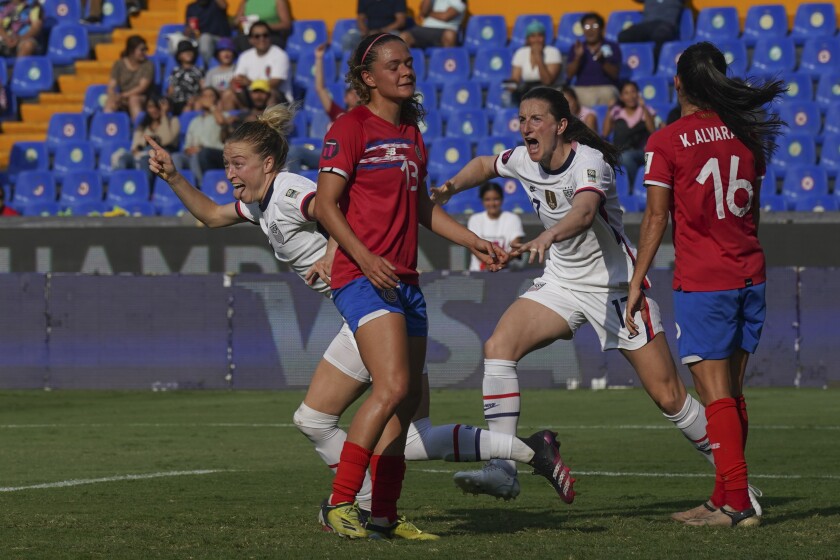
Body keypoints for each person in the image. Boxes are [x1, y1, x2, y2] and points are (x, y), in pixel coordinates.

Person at [147, 100, 569, 542]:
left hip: (372, 307)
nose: (230, 174)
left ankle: (350, 504)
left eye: (238, 164)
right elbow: (213, 215)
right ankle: (516, 454)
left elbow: (335, 210)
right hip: (381, 306)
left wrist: (333, 252)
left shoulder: (290, 192)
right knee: (405, 435)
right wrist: (174, 176)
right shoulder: (261, 202)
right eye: (226, 164)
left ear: (267, 163)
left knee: (321, 420)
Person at [432, 87, 761, 514]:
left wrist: (547, 235)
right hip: (561, 283)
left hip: (615, 290)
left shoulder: (590, 162)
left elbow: (585, 212)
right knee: (499, 348)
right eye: (522, 119)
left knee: (669, 397)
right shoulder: (522, 159)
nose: (525, 127)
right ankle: (502, 466)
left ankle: (737, 487)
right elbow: (482, 164)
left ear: (561, 126)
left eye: (535, 120)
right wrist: (448, 189)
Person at [310, 33, 572, 541]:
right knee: (392, 388)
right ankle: (343, 503)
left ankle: (384, 516)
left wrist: (472, 240)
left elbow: (421, 208)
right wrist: (364, 257)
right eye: (394, 65)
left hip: (404, 279)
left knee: (405, 408)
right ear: (368, 77)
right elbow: (325, 205)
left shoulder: (411, 131)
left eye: (409, 63)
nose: (407, 71)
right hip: (363, 277)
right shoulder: (349, 127)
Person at [626, 42, 785, 528]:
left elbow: (656, 216)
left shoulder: (667, 141)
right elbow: (752, 212)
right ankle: (722, 496)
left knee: (714, 395)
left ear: (678, 83)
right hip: (748, 272)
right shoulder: (748, 134)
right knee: (732, 394)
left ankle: (737, 504)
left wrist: (636, 281)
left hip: (705, 281)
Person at [286, 43, 361, 172]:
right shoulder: (338, 113)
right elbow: (320, 89)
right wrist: (319, 58)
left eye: (357, 91)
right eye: (350, 92)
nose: (354, 94)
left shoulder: (364, 116)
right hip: (329, 154)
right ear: (345, 98)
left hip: (348, 155)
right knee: (293, 152)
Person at [225, 21, 292, 109]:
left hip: (278, 99)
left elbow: (274, 84)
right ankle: (234, 121)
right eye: (257, 36)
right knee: (229, 94)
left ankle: (268, 122)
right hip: (252, 97)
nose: (262, 39)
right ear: (251, 40)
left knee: (271, 93)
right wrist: (236, 82)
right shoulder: (245, 56)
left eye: (265, 35)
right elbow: (238, 78)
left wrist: (250, 83)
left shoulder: (280, 55)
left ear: (270, 37)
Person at [115, 95, 180, 183]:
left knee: (146, 159)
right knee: (123, 159)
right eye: (150, 107)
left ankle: (144, 190)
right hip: (141, 153)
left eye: (157, 107)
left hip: (162, 155)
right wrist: (138, 148)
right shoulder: (143, 124)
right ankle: (120, 185)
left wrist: (164, 115)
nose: (153, 110)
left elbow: (167, 139)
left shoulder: (173, 121)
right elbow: (136, 143)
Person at [602, 80, 657, 184]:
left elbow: (652, 130)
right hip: (619, 150)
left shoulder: (646, 110)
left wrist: (644, 108)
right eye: (626, 93)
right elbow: (605, 133)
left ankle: (633, 185)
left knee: (626, 157)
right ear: (621, 97)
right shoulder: (616, 111)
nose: (631, 96)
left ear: (638, 94)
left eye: (633, 92)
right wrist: (609, 110)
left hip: (640, 152)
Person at [565, 12, 621, 108]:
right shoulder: (577, 47)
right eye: (586, 27)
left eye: (594, 26)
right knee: (568, 98)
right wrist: (578, 57)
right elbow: (569, 75)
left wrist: (602, 61)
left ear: (601, 28)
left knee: (608, 93)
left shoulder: (612, 47)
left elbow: (615, 74)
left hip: (605, 87)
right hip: (582, 89)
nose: (590, 30)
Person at [466, 183, 525, 272]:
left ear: (502, 199)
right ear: (482, 201)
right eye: (487, 200)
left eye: (496, 199)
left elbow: (516, 246)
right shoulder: (475, 219)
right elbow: (473, 247)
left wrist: (505, 260)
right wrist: (490, 264)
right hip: (478, 273)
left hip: (506, 274)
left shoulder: (513, 219)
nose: (492, 203)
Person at [172, 86, 226, 182]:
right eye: (204, 96)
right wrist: (190, 150)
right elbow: (187, 146)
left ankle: (201, 187)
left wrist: (212, 107)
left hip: (215, 154)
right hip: (195, 155)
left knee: (199, 155)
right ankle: (176, 186)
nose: (207, 98)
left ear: (216, 99)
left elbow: (221, 122)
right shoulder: (194, 121)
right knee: (176, 157)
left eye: (211, 96)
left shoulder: (223, 115)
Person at [509, 21, 562, 106]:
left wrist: (538, 57)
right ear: (528, 39)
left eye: (540, 36)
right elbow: (515, 78)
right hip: (526, 90)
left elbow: (547, 81)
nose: (537, 40)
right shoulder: (520, 53)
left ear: (544, 38)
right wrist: (510, 86)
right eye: (533, 36)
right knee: (506, 96)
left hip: (547, 91)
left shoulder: (553, 52)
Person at [104, 35, 155, 122]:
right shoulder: (119, 64)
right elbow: (112, 85)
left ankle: (138, 128)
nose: (144, 53)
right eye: (141, 50)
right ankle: (107, 126)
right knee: (110, 101)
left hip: (141, 97)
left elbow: (142, 87)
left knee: (133, 99)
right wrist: (113, 95)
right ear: (131, 50)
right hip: (123, 97)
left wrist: (124, 95)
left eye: (145, 49)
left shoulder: (148, 65)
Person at [618, 0, 685, 63]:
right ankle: (626, 65)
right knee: (624, 36)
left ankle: (655, 65)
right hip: (647, 24)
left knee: (661, 35)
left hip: (666, 24)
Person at [341, 0, 407, 53]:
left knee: (396, 37)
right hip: (369, 32)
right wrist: (366, 32)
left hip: (389, 31)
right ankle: (350, 67)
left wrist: (381, 32)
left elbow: (400, 21)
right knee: (349, 38)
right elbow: (360, 19)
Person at [184, 0, 232, 66]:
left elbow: (224, 6)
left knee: (205, 38)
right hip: (199, 39)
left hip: (220, 38)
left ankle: (210, 68)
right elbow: (187, 30)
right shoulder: (192, 7)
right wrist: (190, 29)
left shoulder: (216, 3)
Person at [400, 0, 465, 48]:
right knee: (404, 36)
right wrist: (425, 12)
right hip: (425, 29)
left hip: (445, 30)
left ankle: (447, 63)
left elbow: (445, 17)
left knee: (450, 35)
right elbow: (423, 11)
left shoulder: (458, 1)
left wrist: (428, 13)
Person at [166, 40, 204, 116]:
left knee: (189, 108)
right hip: (176, 102)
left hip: (191, 101)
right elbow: (171, 89)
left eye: (190, 51)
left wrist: (196, 98)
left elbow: (203, 88)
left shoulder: (198, 71)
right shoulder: (175, 71)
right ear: (179, 56)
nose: (188, 53)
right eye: (184, 51)